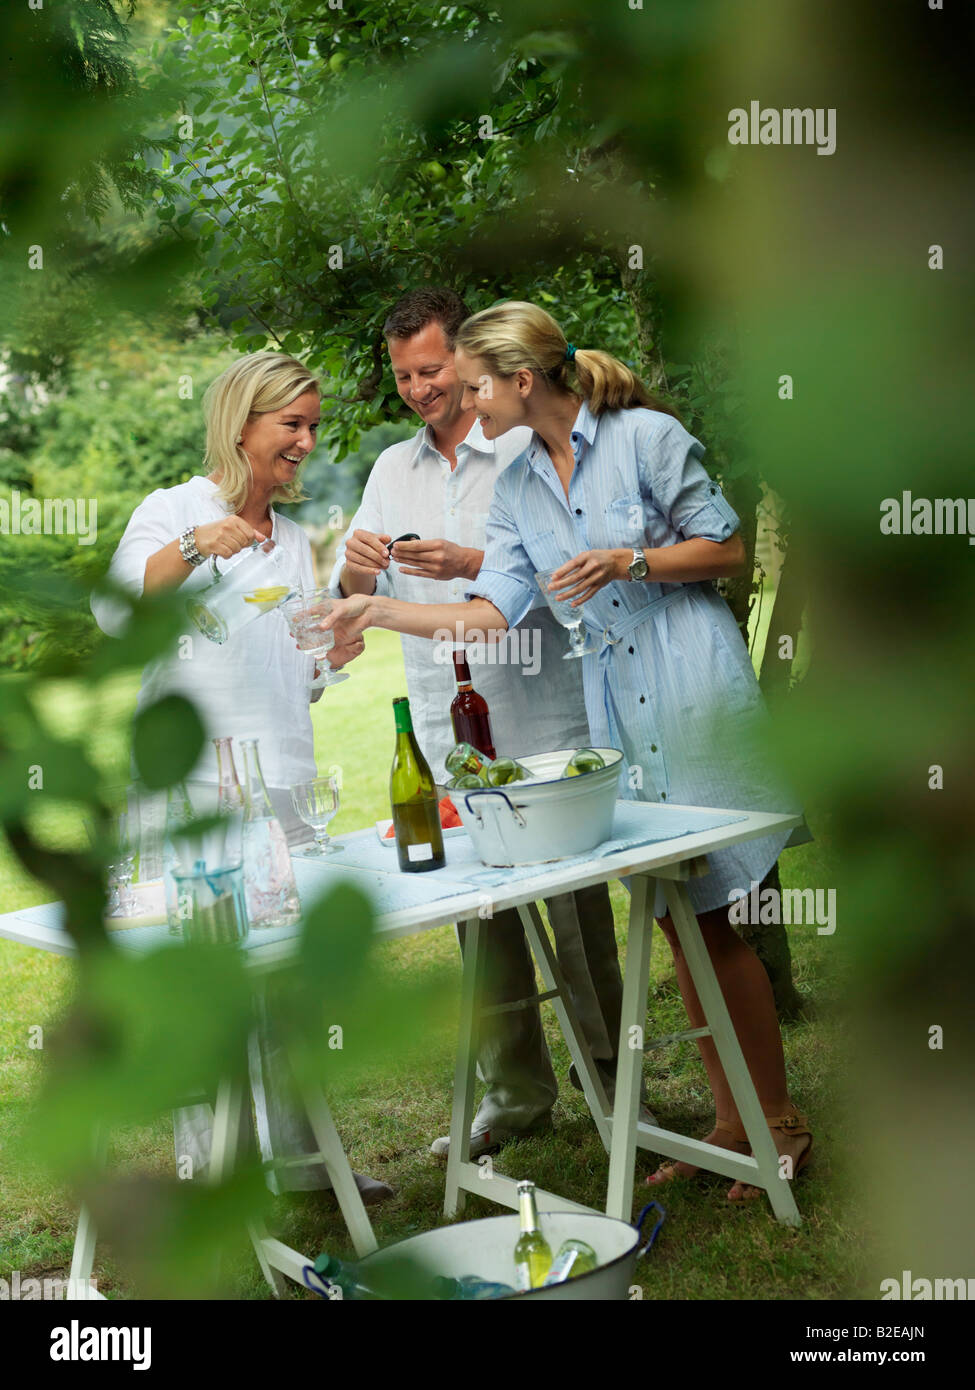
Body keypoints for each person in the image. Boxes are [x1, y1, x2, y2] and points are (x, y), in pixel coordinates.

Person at [322, 302, 813, 1200]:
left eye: (472, 383)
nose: (462, 401)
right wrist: (378, 609)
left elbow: (731, 547)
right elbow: (496, 607)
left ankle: (776, 1120)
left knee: (716, 912)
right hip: (611, 705)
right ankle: (731, 1122)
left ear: (517, 380)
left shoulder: (646, 438)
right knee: (671, 915)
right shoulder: (516, 488)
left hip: (689, 680)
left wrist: (631, 560)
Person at [329, 288, 646, 1157]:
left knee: (578, 923)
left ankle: (618, 1089)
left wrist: (473, 562)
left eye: (431, 369)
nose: (419, 389)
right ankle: (514, 1096)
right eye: (402, 375)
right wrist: (356, 571)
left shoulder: (521, 445)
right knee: (483, 925)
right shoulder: (392, 471)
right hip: (448, 723)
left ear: (467, 361)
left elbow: (550, 579)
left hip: (541, 713)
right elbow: (353, 601)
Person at [90, 351, 392, 1205]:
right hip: (190, 791)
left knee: (289, 980)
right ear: (240, 425)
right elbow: (117, 615)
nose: (304, 441)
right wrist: (193, 546)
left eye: (312, 426)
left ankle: (303, 1166)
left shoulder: (295, 541)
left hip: (282, 783)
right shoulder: (173, 509)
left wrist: (334, 645)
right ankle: (215, 1177)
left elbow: (299, 668)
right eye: (290, 424)